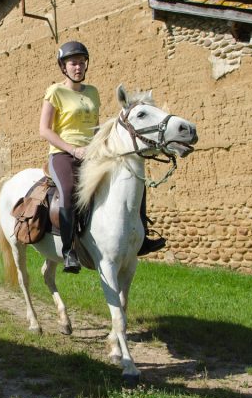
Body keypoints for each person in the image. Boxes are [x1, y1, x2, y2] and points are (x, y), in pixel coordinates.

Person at [38, 41, 165, 274]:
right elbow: (44, 130)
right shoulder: (55, 92)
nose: (78, 67)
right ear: (63, 67)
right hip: (63, 154)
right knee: (68, 191)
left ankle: (142, 238)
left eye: (82, 63)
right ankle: (69, 251)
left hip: (92, 153)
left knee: (133, 179)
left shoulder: (93, 92)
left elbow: (95, 127)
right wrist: (72, 149)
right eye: (73, 63)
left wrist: (101, 148)